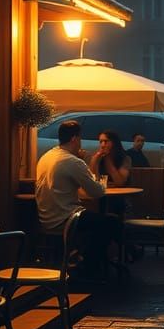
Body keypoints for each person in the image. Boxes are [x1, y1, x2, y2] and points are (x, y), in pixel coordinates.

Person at [36, 119, 119, 277]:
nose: (81, 142)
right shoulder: (72, 161)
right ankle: (89, 266)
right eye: (80, 138)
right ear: (74, 139)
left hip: (45, 218)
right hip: (66, 218)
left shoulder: (46, 156)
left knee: (101, 221)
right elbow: (98, 192)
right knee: (111, 222)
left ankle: (79, 257)